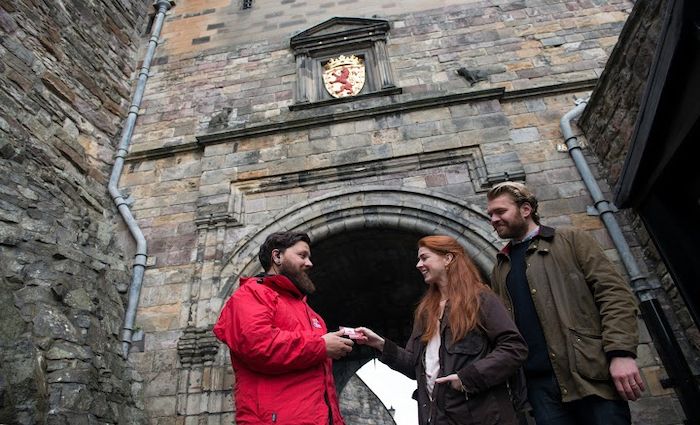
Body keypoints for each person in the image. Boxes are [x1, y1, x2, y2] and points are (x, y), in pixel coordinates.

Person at [485, 181, 644, 425]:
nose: (494, 219)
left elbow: (614, 295)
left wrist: (621, 353)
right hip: (539, 390)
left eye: (500, 212)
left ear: (525, 210)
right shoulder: (500, 266)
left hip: (589, 376)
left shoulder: (571, 240)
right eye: (491, 214)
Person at [355, 235, 528, 425]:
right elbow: (415, 367)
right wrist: (380, 344)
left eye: (424, 257)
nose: (418, 265)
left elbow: (514, 348)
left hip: (481, 416)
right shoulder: (425, 311)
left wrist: (468, 378)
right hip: (436, 417)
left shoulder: (481, 299)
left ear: (448, 258)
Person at [213, 231, 353, 425]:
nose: (310, 263)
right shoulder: (251, 295)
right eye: (302, 255)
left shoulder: (312, 314)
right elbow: (259, 346)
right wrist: (321, 345)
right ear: (277, 256)